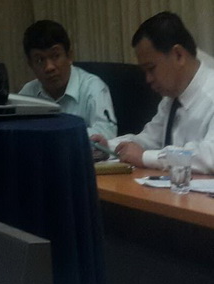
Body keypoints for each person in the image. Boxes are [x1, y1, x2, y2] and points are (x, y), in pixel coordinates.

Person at [91, 12, 214, 172]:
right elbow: (149, 140)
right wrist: (109, 147)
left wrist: (145, 157)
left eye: (151, 68)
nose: (148, 79)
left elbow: (210, 156)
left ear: (178, 55)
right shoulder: (171, 99)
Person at [19, 20, 117, 139]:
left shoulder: (93, 87)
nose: (49, 67)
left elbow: (107, 132)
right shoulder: (28, 93)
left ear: (69, 56)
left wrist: (57, 137)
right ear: (30, 65)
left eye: (55, 56)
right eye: (40, 60)